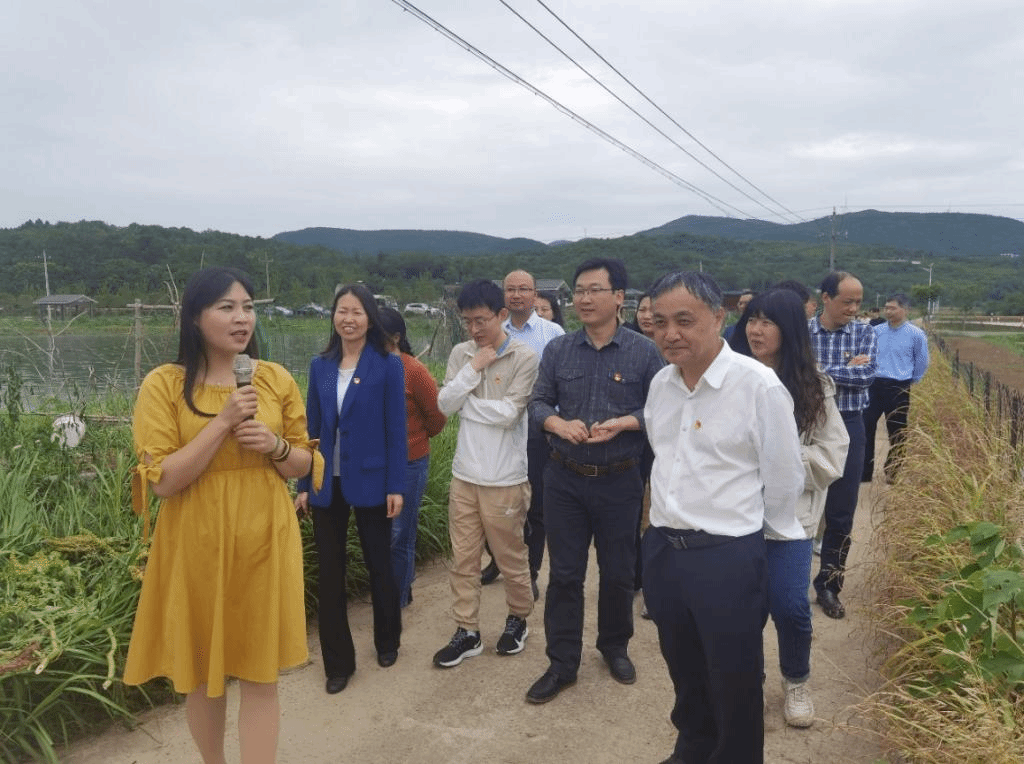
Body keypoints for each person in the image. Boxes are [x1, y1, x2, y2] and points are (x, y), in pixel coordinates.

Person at [124, 267, 321, 764]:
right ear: (195, 317)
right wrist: (224, 422)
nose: (242, 318)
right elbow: (163, 480)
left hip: (265, 539)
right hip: (195, 542)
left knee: (260, 674)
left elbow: (303, 463)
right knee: (202, 675)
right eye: (227, 307)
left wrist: (275, 446)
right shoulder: (164, 384)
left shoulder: (274, 378)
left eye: (248, 307)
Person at [642, 271, 805, 764]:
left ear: (718, 317)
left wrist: (750, 543)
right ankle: (692, 749)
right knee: (685, 670)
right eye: (660, 322)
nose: (670, 333)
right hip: (665, 549)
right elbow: (663, 458)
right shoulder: (661, 384)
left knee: (734, 679)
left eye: (684, 320)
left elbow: (784, 479)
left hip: (727, 555)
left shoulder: (758, 386)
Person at [525, 257, 664, 704]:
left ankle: (614, 646)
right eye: (579, 291)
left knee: (619, 571)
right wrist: (557, 424)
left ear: (619, 297)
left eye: (594, 290)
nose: (584, 299)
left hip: (620, 479)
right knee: (564, 575)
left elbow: (663, 409)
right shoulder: (559, 350)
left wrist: (626, 422)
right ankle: (562, 663)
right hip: (564, 478)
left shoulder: (644, 352)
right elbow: (537, 403)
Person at [729, 289, 849, 729]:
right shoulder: (731, 377)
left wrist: (781, 457)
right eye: (752, 320)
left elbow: (833, 454)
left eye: (767, 321)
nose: (756, 330)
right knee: (742, 608)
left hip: (791, 520)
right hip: (736, 516)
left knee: (790, 605)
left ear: (790, 329)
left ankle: (796, 680)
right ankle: (750, 683)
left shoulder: (814, 387)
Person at [296, 284, 407, 693]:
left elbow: (396, 430)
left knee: (380, 563)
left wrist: (396, 484)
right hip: (326, 482)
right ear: (334, 316)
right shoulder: (320, 366)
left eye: (357, 312)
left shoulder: (387, 365)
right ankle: (338, 664)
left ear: (369, 318)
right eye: (342, 311)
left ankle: (387, 639)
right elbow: (311, 428)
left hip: (373, 479)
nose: (348, 319)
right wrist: (304, 483)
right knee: (330, 572)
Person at [431, 279, 539, 667]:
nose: (474, 329)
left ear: (502, 315)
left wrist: (465, 402)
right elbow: (444, 404)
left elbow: (509, 414)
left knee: (511, 559)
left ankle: (518, 619)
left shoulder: (524, 357)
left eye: (481, 320)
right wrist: (472, 370)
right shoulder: (463, 353)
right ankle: (467, 630)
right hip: (465, 476)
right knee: (463, 560)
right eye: (467, 321)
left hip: (505, 479)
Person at [479, 269, 566, 599]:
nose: (517, 295)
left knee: (534, 506)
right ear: (503, 294)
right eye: (511, 289)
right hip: (494, 431)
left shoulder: (552, 333)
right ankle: (498, 560)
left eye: (524, 289)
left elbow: (560, 384)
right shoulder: (491, 330)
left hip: (535, 432)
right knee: (491, 501)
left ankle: (529, 571)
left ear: (535, 294)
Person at [809, 271, 876, 620]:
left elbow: (866, 376)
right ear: (826, 298)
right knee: (796, 501)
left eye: (858, 302)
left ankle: (829, 585)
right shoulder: (803, 332)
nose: (853, 308)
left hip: (850, 425)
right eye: (847, 301)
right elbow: (795, 374)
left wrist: (819, 372)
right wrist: (843, 368)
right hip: (808, 424)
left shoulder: (865, 332)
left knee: (841, 511)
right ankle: (784, 579)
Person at [377, 307, 447, 608]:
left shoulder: (414, 371)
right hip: (374, 464)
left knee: (399, 532)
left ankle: (398, 597)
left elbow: (437, 416)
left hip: (408, 462)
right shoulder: (365, 367)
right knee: (380, 531)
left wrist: (414, 439)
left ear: (395, 337)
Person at [862, 293, 929, 484]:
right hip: (874, 385)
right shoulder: (876, 331)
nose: (888, 311)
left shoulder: (916, 334)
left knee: (897, 430)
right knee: (866, 426)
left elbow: (922, 361)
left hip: (899, 386)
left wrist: (912, 380)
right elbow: (867, 355)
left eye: (892, 308)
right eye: (886, 308)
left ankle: (893, 471)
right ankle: (864, 472)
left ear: (905, 310)